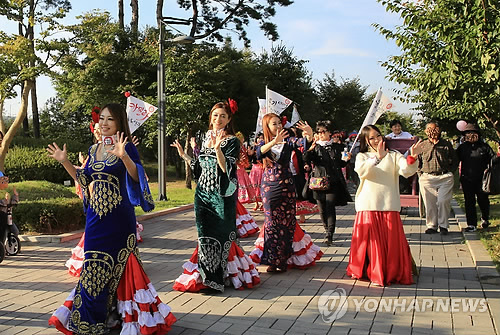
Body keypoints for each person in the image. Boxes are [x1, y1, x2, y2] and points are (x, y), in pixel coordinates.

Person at [47, 103, 176, 334]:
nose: (104, 123)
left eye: (110, 119)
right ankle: (90, 320)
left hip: (119, 219)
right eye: (102, 119)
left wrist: (124, 156)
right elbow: (84, 179)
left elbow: (137, 177)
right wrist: (64, 161)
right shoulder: (93, 149)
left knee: (118, 268)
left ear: (119, 124)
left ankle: (114, 318)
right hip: (95, 220)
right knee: (92, 268)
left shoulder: (126, 148)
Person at [171, 100, 260, 292]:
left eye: (222, 116)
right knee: (204, 236)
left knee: (220, 234)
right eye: (215, 115)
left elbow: (225, 168)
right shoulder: (207, 139)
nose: (218, 119)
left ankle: (217, 279)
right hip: (203, 194)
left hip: (222, 196)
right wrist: (184, 156)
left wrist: (218, 148)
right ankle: (207, 277)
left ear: (228, 120)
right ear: (210, 118)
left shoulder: (232, 141)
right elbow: (201, 167)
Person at [346, 124, 422, 286]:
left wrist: (412, 158)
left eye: (378, 136)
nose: (376, 140)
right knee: (370, 244)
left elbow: (407, 171)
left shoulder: (393, 155)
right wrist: (377, 158)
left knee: (391, 244)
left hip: (388, 205)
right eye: (371, 138)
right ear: (365, 141)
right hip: (368, 204)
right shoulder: (362, 157)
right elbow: (362, 172)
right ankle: (368, 270)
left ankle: (391, 271)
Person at [250, 113, 323, 273]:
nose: (278, 126)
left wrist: (309, 134)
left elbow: (302, 143)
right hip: (269, 186)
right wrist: (273, 142)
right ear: (267, 127)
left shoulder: (288, 141)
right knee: (270, 223)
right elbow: (258, 153)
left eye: (279, 123)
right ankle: (272, 259)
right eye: (273, 124)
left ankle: (283, 260)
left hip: (287, 187)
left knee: (287, 222)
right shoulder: (264, 144)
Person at [303, 120, 352, 246]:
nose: (320, 134)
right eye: (318, 132)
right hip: (318, 182)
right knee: (322, 209)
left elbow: (341, 164)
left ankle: (330, 234)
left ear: (329, 133)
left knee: (330, 207)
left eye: (323, 131)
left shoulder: (338, 147)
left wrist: (346, 159)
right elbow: (306, 159)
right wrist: (310, 149)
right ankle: (326, 229)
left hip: (333, 181)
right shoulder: (315, 146)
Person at [417, 121, 459, 235]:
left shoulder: (446, 144)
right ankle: (432, 225)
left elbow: (454, 159)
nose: (432, 131)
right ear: (426, 131)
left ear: (439, 130)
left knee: (443, 201)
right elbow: (417, 161)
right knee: (429, 203)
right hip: (427, 177)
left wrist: (450, 172)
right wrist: (420, 173)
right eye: (429, 129)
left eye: (435, 129)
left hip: (444, 176)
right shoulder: (423, 145)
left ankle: (444, 225)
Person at [456, 123, 497, 231]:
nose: (470, 135)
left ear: (478, 135)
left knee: (483, 200)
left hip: (482, 180)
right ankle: (471, 224)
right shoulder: (462, 148)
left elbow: (493, 160)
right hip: (467, 179)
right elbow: (455, 161)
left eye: (473, 133)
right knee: (469, 201)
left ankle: (485, 218)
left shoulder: (484, 147)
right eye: (468, 133)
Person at [248, 132, 264, 210]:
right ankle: (256, 203)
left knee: (262, 186)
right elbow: (249, 161)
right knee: (254, 186)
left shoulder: (264, 147)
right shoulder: (253, 148)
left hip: (262, 169)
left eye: (262, 138)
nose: (260, 139)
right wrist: (250, 155)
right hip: (254, 169)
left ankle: (262, 203)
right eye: (259, 138)